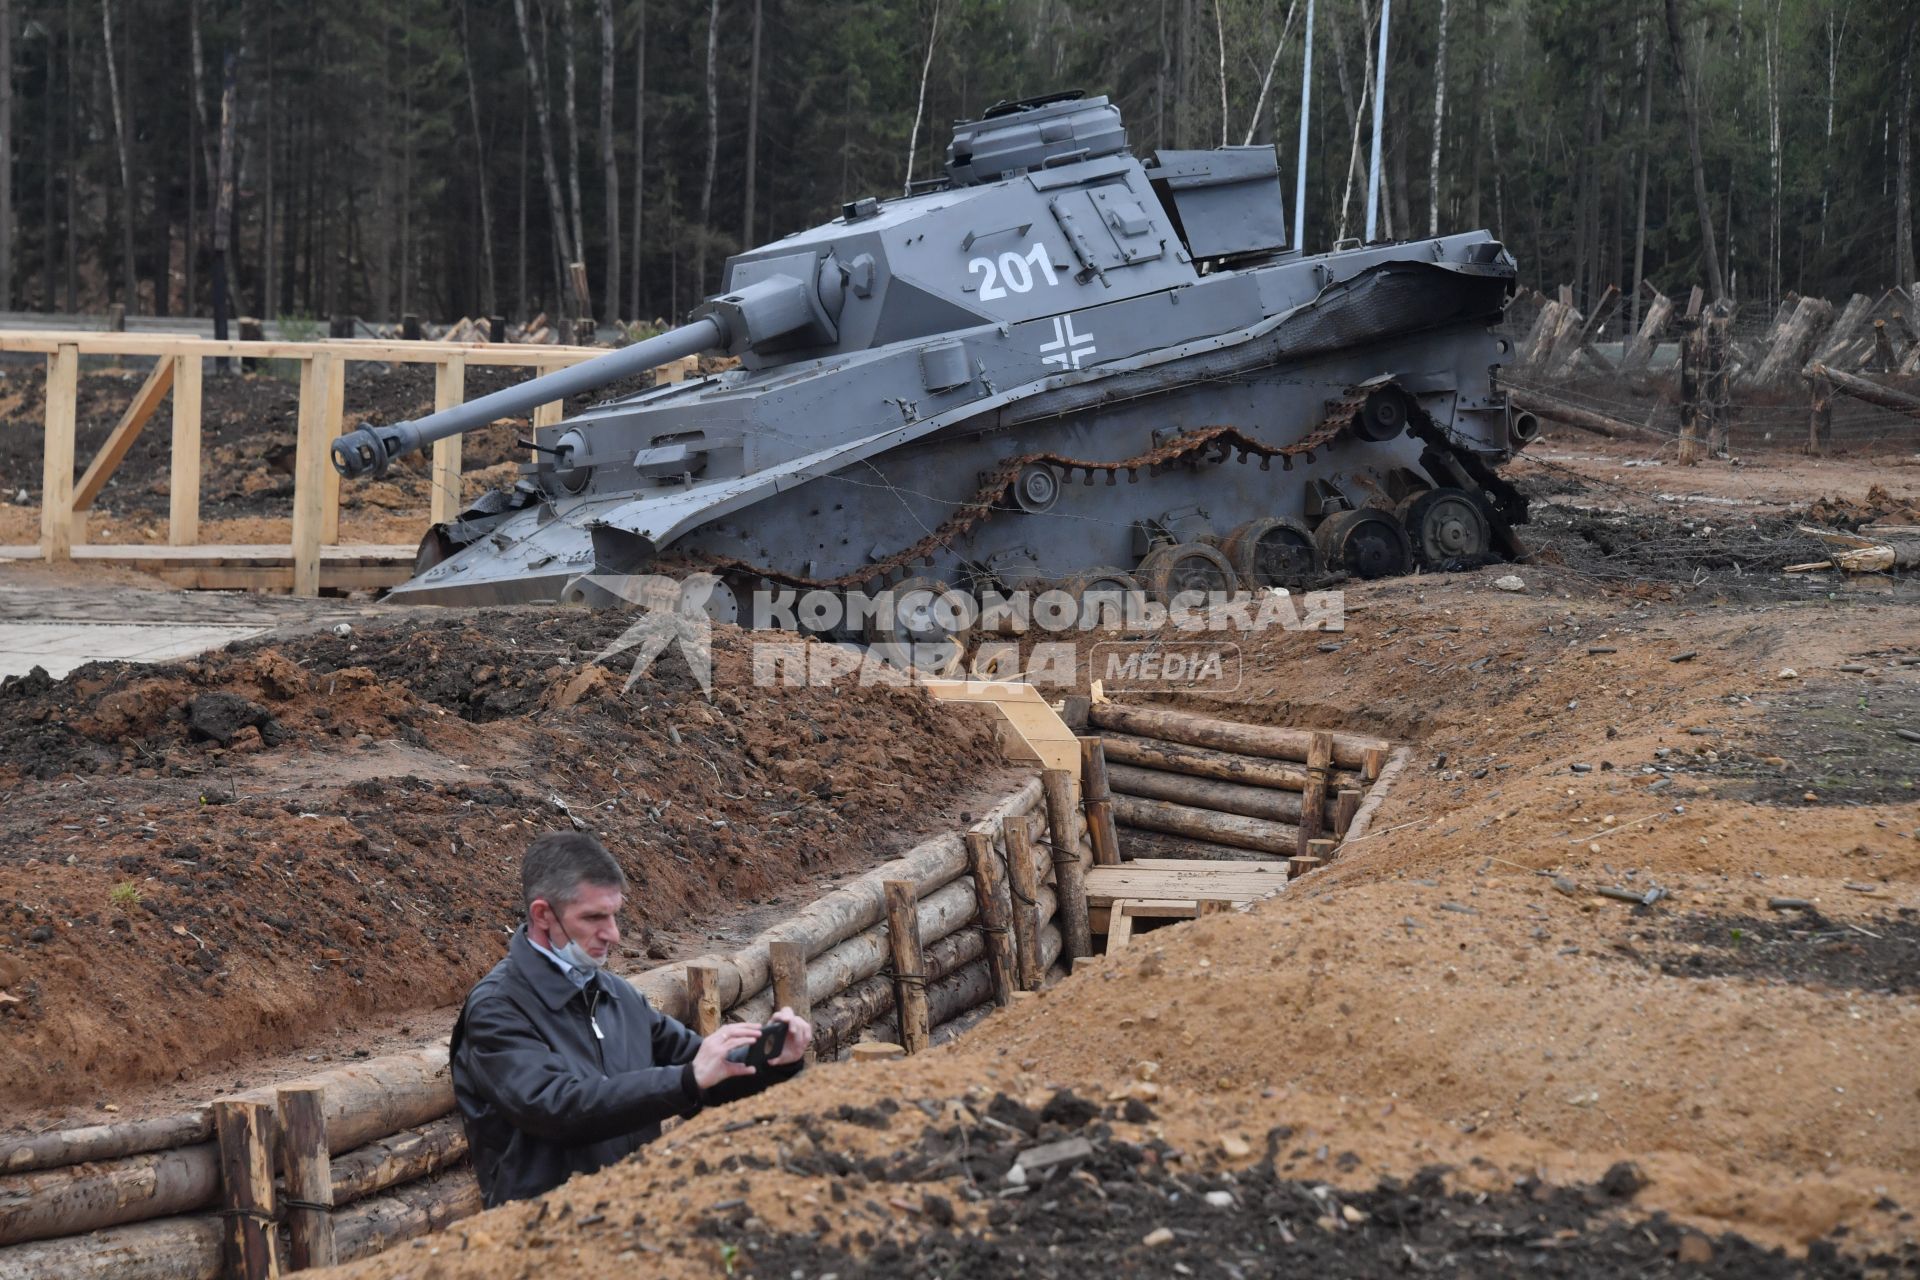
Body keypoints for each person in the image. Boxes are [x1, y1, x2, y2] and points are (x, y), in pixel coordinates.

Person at [452, 831, 812, 1206]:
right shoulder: (498, 1008)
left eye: (614, 915)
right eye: (593, 918)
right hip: (544, 1229)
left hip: (630, 1214)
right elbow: (555, 1107)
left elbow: (704, 1072)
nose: (614, 934)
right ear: (543, 915)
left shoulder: (616, 996)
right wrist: (687, 1080)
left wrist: (771, 1059)